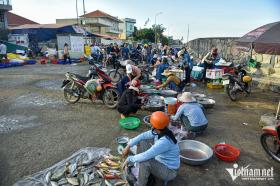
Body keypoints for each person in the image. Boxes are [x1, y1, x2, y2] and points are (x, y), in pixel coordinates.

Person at [122, 111, 180, 186]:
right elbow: (143, 136)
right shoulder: (161, 130)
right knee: (142, 140)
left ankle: (140, 184)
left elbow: (146, 156)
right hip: (160, 161)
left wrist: (130, 159)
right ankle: (139, 169)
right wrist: (128, 145)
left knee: (145, 161)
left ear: (154, 126)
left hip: (170, 172)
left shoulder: (165, 141)